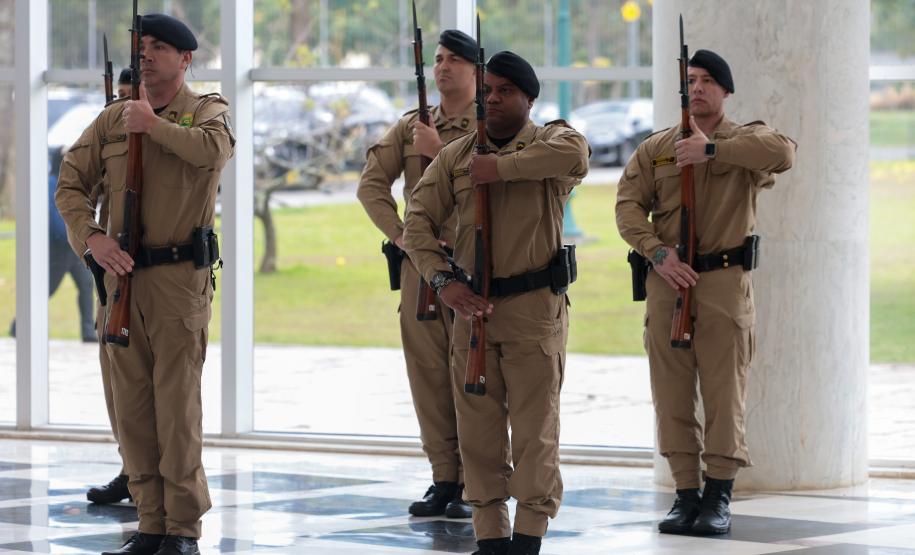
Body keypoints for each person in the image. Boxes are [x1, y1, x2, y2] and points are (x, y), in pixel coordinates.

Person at [56, 13, 234, 555]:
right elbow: (70, 184)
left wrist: (152, 126)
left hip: (178, 282)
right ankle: (150, 522)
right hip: (120, 282)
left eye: (160, 47)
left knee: (176, 412)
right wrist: (92, 240)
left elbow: (213, 152)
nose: (147, 54)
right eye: (142, 46)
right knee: (130, 413)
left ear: (185, 59)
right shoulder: (111, 120)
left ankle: (182, 528)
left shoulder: (208, 112)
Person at [403, 51, 589, 555]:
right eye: (487, 90)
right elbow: (416, 224)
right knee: (479, 433)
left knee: (534, 432)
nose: (492, 99)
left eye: (505, 90)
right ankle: (489, 535)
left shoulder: (554, 139)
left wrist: (500, 170)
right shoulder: (456, 156)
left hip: (534, 310)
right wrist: (444, 284)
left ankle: (529, 535)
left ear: (529, 98)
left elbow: (575, 157)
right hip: (473, 313)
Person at [615, 49, 795, 536]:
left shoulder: (745, 141)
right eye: (691, 80)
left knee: (722, 394)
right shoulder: (656, 149)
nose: (697, 88)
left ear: (726, 91)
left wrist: (711, 150)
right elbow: (628, 207)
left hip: (721, 283)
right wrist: (656, 253)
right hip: (668, 280)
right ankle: (685, 494)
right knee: (670, 394)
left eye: (708, 81)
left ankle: (718, 496)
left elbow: (784, 152)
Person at [357, 29, 479, 520]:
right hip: (421, 274)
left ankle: (478, 482)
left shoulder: (488, 125)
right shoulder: (412, 125)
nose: (443, 67)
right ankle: (444, 478)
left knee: (472, 375)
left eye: (454, 60)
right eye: (439, 59)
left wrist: (439, 149)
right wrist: (405, 237)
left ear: (476, 70)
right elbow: (371, 186)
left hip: (470, 268)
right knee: (427, 377)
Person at [9, 149, 97, 343]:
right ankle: (18, 326)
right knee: (47, 289)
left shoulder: (69, 183)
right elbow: (55, 218)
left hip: (74, 247)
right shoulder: (51, 184)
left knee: (86, 284)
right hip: (59, 248)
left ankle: (88, 332)